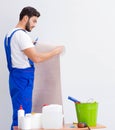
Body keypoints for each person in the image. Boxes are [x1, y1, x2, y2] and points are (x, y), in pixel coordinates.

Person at [4, 6, 64, 130]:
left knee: (18, 113)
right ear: (25, 18)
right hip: (23, 78)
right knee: (23, 115)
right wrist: (55, 52)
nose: (35, 24)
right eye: (34, 21)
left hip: (15, 77)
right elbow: (36, 58)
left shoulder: (10, 34)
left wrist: (31, 45)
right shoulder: (21, 35)